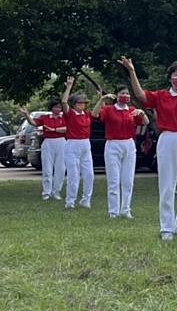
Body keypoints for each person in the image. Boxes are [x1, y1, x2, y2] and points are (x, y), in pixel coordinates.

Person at [118, 57, 177, 240]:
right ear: (170, 77)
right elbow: (141, 96)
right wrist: (132, 72)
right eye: (176, 74)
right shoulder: (161, 96)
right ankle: (167, 227)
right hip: (168, 138)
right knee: (167, 184)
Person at [93, 86, 148, 218]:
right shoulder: (109, 110)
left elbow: (145, 122)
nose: (125, 96)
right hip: (113, 144)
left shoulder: (132, 110)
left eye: (127, 93)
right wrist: (101, 100)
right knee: (113, 180)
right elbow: (95, 114)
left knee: (128, 180)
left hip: (128, 144)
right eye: (122, 93)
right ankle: (113, 211)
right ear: (116, 95)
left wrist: (142, 113)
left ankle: (126, 209)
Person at [19, 100, 67, 200]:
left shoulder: (64, 117)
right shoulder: (45, 118)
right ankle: (46, 192)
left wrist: (54, 129)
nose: (57, 109)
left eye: (59, 107)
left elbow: (66, 129)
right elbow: (33, 123)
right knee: (47, 168)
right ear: (51, 108)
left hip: (61, 142)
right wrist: (26, 115)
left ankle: (56, 191)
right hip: (48, 142)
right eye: (55, 107)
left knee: (61, 168)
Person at [61, 77, 94, 209]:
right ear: (74, 104)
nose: (82, 105)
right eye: (80, 103)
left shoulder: (86, 114)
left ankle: (86, 200)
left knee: (89, 174)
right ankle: (70, 201)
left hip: (86, 143)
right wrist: (68, 87)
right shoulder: (70, 114)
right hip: (73, 144)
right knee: (73, 175)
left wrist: (101, 99)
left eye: (84, 103)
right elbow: (64, 102)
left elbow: (97, 112)